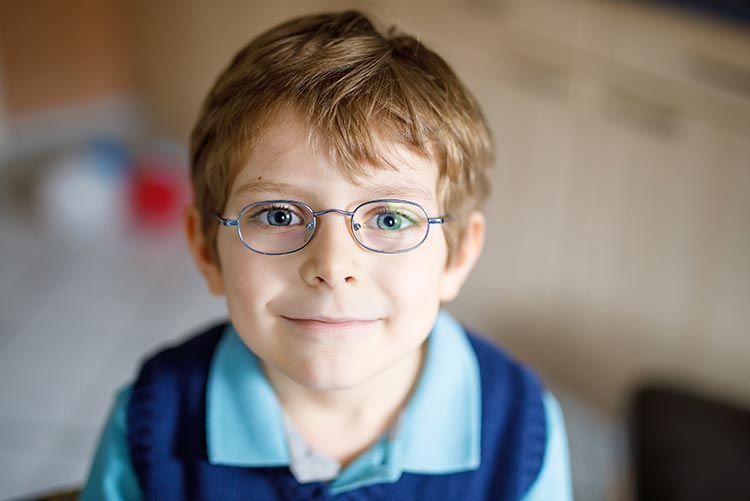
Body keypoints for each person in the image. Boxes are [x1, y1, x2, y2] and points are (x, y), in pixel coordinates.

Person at [81, 10, 572, 500]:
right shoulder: (152, 420)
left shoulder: (519, 430)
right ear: (207, 250)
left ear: (458, 255)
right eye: (278, 215)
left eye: (390, 219)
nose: (334, 267)